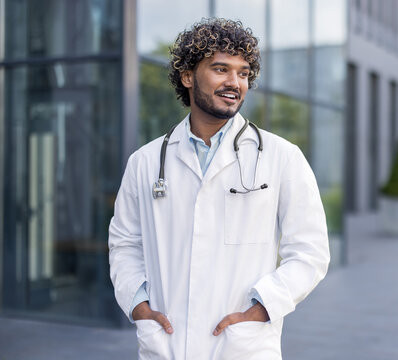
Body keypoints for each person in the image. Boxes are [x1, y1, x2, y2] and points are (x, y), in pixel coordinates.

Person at [109, 18, 330, 360]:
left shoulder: (282, 157)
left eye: (243, 73)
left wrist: (259, 309)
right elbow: (125, 244)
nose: (234, 82)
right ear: (187, 76)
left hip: (241, 346)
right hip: (166, 344)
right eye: (221, 69)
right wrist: (139, 305)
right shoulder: (146, 162)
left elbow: (310, 253)